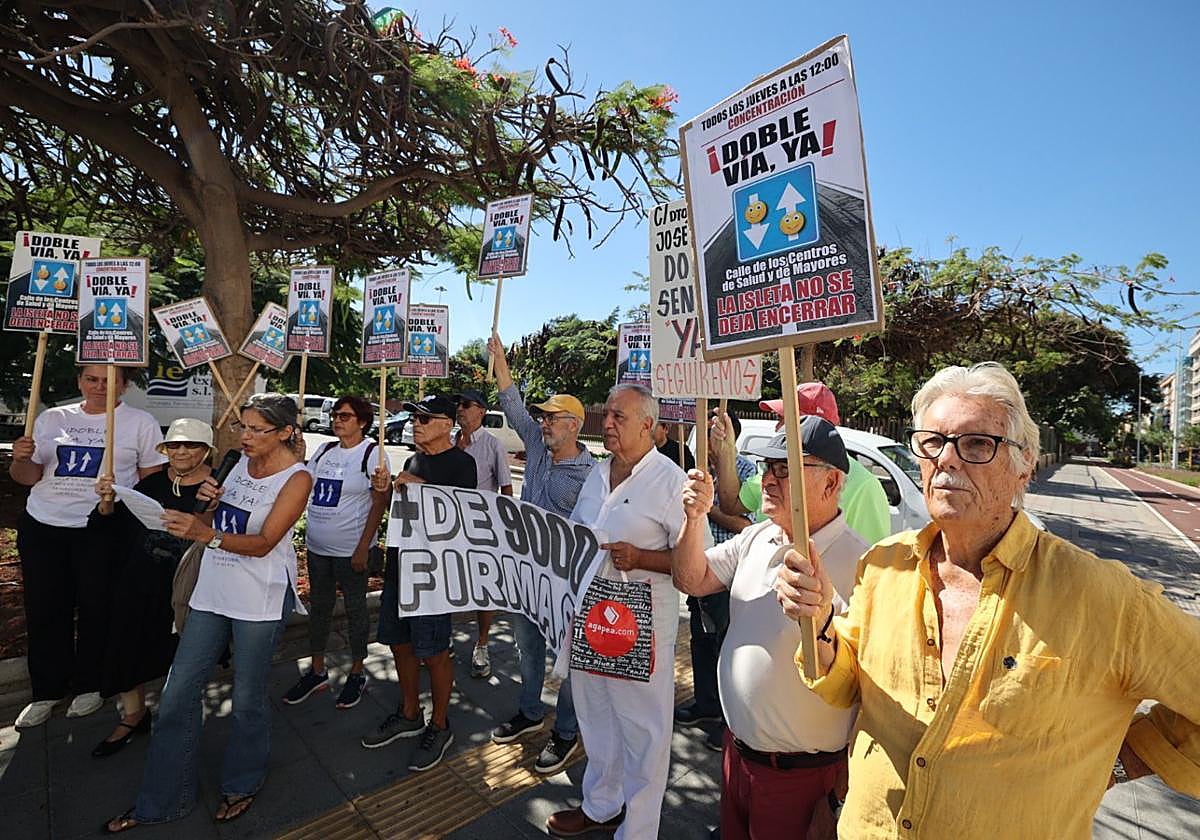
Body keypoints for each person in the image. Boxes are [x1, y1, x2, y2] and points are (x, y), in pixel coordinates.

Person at [776, 362, 1200, 839]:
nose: (947, 460)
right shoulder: (882, 565)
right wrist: (819, 621)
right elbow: (849, 684)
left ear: (1024, 466)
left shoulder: (1103, 597)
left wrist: (1120, 763)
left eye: (977, 444)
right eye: (932, 442)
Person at [104, 393, 312, 831]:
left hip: (258, 599)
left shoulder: (296, 479)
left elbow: (264, 543)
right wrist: (210, 508)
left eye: (256, 429)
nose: (245, 436)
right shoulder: (235, 464)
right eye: (242, 426)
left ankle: (243, 780)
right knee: (177, 695)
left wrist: (203, 534)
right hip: (211, 591)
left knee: (247, 698)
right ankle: (163, 798)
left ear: (285, 432)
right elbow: (219, 524)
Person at [673, 418, 867, 838]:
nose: (767, 479)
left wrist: (838, 797)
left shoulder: (865, 566)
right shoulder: (757, 537)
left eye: (785, 469)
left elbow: (874, 699)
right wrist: (694, 518)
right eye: (767, 467)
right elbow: (691, 578)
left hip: (802, 779)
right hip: (737, 758)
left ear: (831, 483)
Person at [546, 383, 687, 839]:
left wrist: (642, 558)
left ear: (648, 425)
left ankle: (639, 830)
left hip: (642, 624)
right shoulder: (598, 473)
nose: (606, 423)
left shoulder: (671, 482)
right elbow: (577, 533)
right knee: (596, 715)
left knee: (644, 730)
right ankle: (601, 806)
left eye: (617, 417)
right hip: (592, 615)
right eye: (606, 415)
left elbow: (694, 564)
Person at [10, 364, 166, 729]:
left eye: (109, 381)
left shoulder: (140, 423)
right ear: (79, 380)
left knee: (99, 608)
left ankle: (91, 683)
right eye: (91, 379)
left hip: (101, 528)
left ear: (124, 386)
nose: (99, 387)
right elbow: (27, 478)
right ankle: (47, 690)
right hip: (44, 525)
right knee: (46, 608)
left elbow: (151, 483)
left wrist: (120, 498)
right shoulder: (51, 418)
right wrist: (20, 459)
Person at [487, 332, 595, 775]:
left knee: (567, 660)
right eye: (543, 417)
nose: (544, 423)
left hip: (567, 582)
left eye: (552, 418)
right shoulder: (535, 445)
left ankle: (566, 730)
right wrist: (500, 358)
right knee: (527, 647)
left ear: (574, 425)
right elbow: (512, 403)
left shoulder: (593, 474)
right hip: (526, 574)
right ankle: (530, 712)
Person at [360, 394, 476, 772]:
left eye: (425, 418)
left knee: (435, 651)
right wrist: (385, 488)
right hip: (401, 566)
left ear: (447, 424)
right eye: (414, 417)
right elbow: (403, 510)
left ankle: (440, 724)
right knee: (399, 644)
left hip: (433, 574)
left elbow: (461, 517)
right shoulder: (413, 460)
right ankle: (409, 712)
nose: (416, 424)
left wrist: (419, 485)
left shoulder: (462, 464)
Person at [89, 418, 216, 757]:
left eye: (190, 445)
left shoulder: (218, 486)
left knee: (183, 658)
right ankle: (133, 715)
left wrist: (207, 515)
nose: (181, 451)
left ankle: (181, 722)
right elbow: (111, 528)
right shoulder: (150, 484)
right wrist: (106, 503)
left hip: (189, 586)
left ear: (206, 451)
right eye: (174, 445)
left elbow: (223, 536)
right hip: (139, 579)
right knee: (125, 646)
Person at [283, 395, 390, 710]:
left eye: (345, 416)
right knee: (319, 609)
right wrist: (297, 460)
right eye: (335, 415)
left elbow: (380, 502)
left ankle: (357, 671)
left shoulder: (371, 453)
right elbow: (305, 484)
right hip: (318, 549)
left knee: (356, 610)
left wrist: (363, 546)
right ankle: (317, 670)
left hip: (351, 551)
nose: (337, 420)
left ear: (362, 422)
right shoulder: (325, 450)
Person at [716, 381, 891, 545]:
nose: (776, 427)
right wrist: (726, 450)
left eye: (783, 419)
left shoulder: (865, 486)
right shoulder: (773, 473)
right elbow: (731, 504)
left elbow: (871, 560)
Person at [674, 411, 757, 751]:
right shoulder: (694, 471)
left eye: (715, 431)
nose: (707, 437)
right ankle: (705, 703)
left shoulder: (747, 472)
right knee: (701, 640)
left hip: (729, 577)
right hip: (700, 568)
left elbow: (746, 524)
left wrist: (707, 509)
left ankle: (728, 720)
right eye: (705, 430)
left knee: (727, 646)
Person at [454, 388, 513, 679]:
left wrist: (503, 529)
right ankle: (442, 642)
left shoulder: (493, 445)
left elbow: (506, 489)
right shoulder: (449, 441)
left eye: (466, 404)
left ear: (481, 411)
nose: (460, 409)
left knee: (483, 590)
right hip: (449, 528)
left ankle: (482, 644)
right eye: (458, 404)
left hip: (481, 530)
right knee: (448, 583)